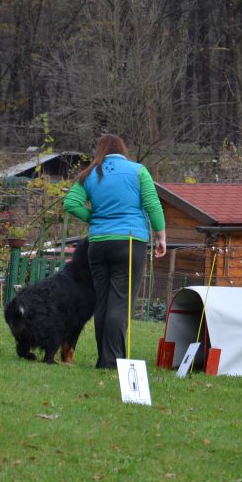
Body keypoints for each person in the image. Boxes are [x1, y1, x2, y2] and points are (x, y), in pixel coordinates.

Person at [63, 134, 167, 369]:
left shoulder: (89, 174)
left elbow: (70, 203)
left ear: (100, 151)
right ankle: (113, 361)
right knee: (120, 302)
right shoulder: (138, 171)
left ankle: (105, 358)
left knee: (103, 302)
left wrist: (94, 218)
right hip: (130, 242)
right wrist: (160, 236)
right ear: (123, 149)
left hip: (98, 243)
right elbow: (152, 204)